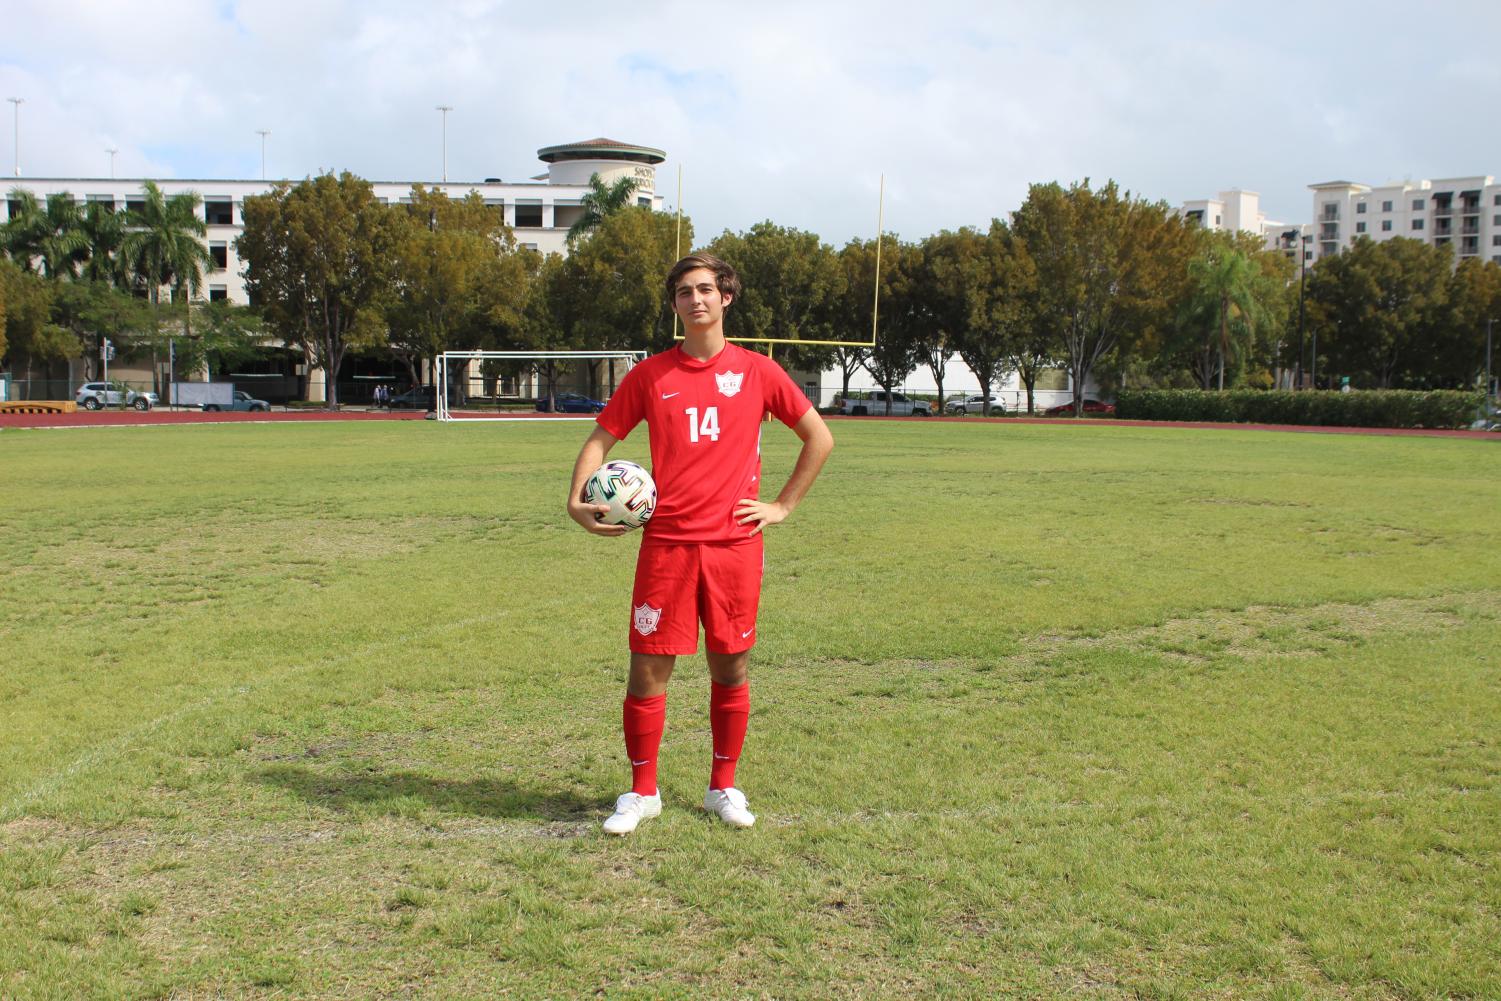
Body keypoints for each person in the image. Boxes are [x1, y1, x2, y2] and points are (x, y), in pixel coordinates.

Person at [566, 253, 834, 835]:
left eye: (707, 289)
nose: (697, 300)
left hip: (734, 547)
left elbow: (819, 436)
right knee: (646, 671)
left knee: (730, 667)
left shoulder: (758, 372)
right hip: (665, 548)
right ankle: (641, 792)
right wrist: (575, 499)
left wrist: (782, 505)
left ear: (727, 297)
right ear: (676, 305)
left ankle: (723, 787)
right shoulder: (650, 375)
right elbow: (599, 440)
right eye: (685, 292)